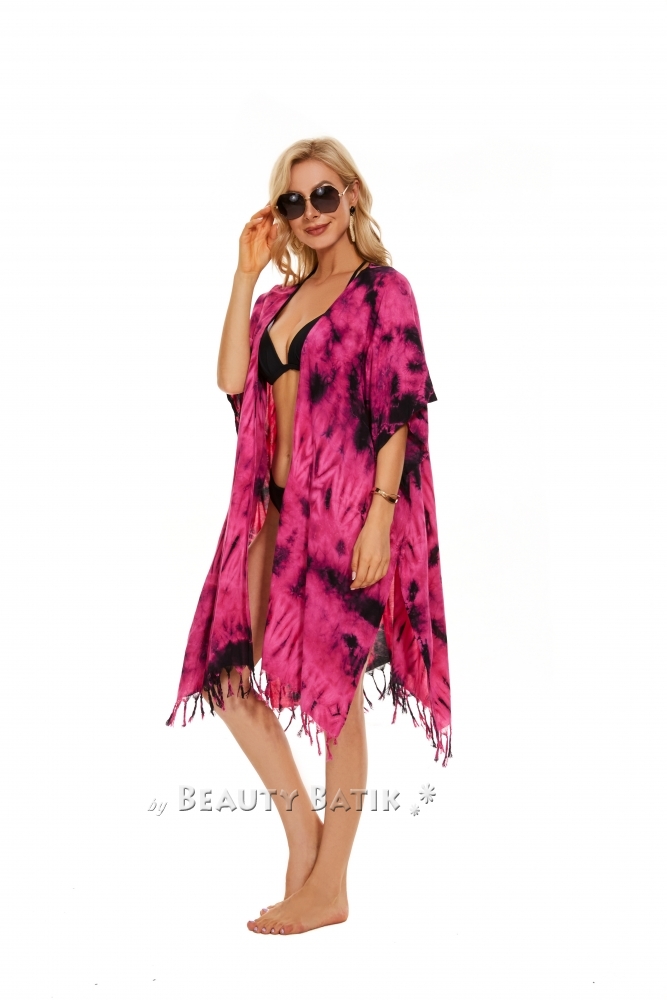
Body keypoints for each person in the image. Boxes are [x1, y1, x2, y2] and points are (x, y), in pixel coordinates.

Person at [165, 137, 451, 935]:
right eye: (294, 201)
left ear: (352, 195)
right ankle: (304, 840)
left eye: (324, 194)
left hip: (344, 515)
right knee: (224, 675)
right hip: (266, 513)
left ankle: (329, 886)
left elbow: (400, 409)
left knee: (335, 699)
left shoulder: (383, 291)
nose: (311, 212)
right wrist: (243, 273)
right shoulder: (273, 301)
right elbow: (231, 379)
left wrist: (380, 517)